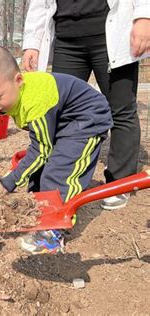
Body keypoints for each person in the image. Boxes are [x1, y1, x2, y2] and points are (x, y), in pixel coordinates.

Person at [0, 46, 113, 254]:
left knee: (59, 172)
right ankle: (40, 207)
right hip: (65, 119)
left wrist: (8, 182)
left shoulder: (35, 102)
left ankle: (54, 230)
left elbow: (40, 151)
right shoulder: (16, 95)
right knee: (39, 172)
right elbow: (40, 147)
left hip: (86, 119)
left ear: (18, 80)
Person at [21, 0, 150, 210]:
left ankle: (119, 183)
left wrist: (144, 15)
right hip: (66, 38)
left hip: (109, 32)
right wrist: (32, 42)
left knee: (120, 110)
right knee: (60, 114)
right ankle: (54, 183)